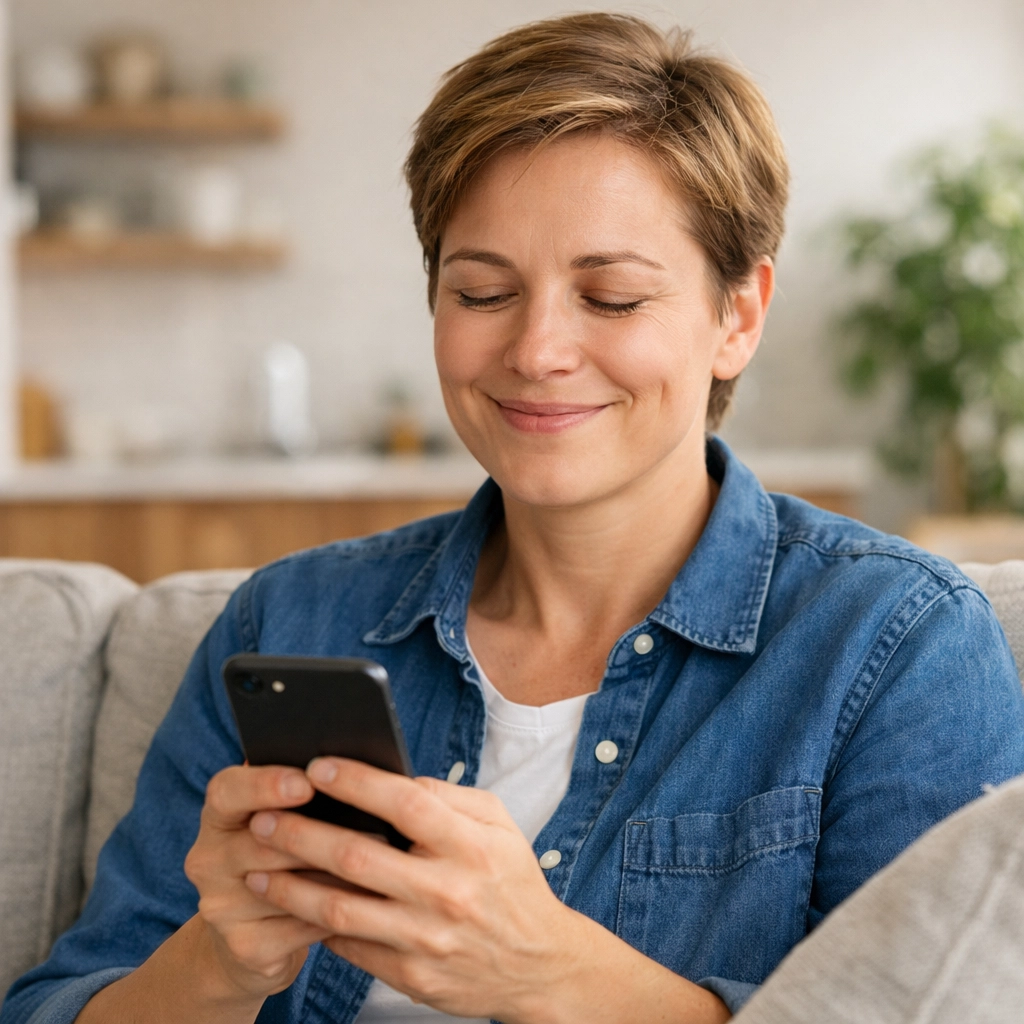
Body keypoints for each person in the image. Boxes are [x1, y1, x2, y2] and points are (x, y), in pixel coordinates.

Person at [4, 13, 1024, 1024]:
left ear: (737, 316)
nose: (536, 350)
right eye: (484, 291)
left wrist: (549, 972)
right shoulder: (288, 621)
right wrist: (218, 963)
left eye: (611, 297)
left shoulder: (895, 645)